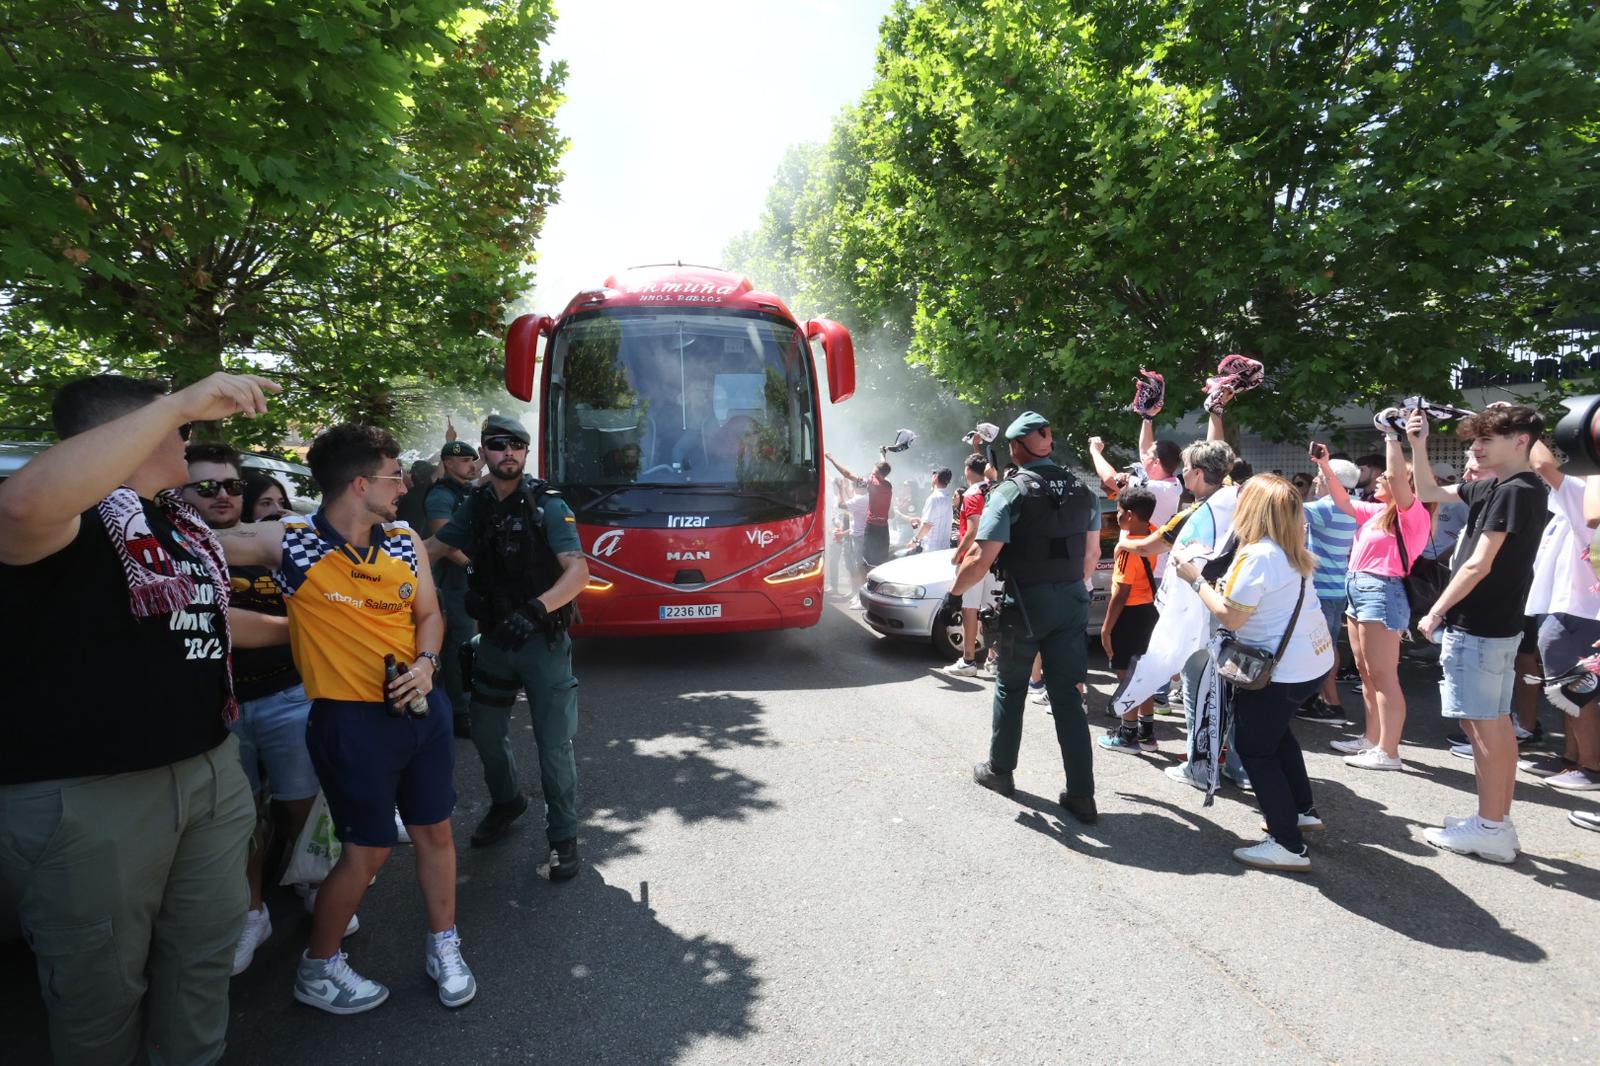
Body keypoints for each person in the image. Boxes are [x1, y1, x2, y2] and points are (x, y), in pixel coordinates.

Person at [0, 372, 277, 1063]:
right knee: (99, 993)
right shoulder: (71, 517)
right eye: (178, 430)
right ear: (130, 430)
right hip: (93, 798)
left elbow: (206, 616)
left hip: (208, 771)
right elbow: (20, 508)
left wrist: (304, 630)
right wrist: (178, 401)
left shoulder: (173, 525)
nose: (187, 442)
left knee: (204, 959)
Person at [213, 422, 473, 1013]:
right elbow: (195, 545)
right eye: (394, 476)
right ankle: (318, 967)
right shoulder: (290, 539)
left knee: (436, 832)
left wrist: (428, 664)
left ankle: (444, 944)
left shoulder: (404, 539)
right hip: (349, 722)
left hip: (421, 708)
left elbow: (429, 617)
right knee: (367, 850)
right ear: (360, 483)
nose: (404, 486)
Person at [185, 450, 334, 976]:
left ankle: (316, 882)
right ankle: (253, 913)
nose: (223, 496)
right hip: (215, 706)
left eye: (231, 486)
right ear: (180, 495)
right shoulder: (174, 550)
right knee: (241, 820)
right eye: (207, 488)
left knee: (301, 805)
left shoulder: (275, 541)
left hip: (287, 695)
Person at [423, 415, 589, 877]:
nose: (508, 452)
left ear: (526, 452)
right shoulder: (475, 504)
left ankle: (563, 837)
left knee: (553, 744)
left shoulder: (547, 505)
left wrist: (536, 609)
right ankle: (507, 801)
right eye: (498, 445)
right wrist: (373, 558)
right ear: (484, 453)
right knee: (485, 732)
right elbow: (434, 546)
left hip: (542, 642)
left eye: (517, 444)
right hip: (494, 640)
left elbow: (578, 571)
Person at [1172, 475, 1334, 872]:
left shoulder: (1259, 555)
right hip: (1309, 664)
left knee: (1255, 749)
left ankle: (1288, 844)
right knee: (1277, 737)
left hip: (1279, 672)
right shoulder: (1289, 550)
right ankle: (1301, 811)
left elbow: (1230, 617)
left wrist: (1195, 579)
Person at [1411, 404, 1548, 863]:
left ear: (1521, 441)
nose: (1477, 447)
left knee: (1485, 727)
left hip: (1481, 626)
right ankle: (1495, 821)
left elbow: (1478, 563)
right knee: (1491, 725)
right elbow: (1428, 490)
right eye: (1475, 439)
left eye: (1487, 439)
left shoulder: (1515, 490)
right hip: (1493, 626)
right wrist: (1417, 442)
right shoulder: (1503, 486)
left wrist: (1436, 611)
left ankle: (1491, 827)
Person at [953, 412, 1101, 823]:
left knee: (1011, 686)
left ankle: (1000, 771)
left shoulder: (1010, 491)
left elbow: (981, 558)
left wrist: (954, 593)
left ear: (1017, 448)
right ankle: (1082, 796)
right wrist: (1066, 588)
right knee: (1068, 696)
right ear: (1047, 443)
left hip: (1026, 603)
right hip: (1072, 601)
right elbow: (1091, 556)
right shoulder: (1083, 491)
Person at [1311, 428, 1433, 771]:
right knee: (1366, 672)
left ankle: (1388, 751)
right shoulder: (1378, 512)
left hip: (1381, 591)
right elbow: (1342, 501)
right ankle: (1372, 739)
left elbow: (1395, 476)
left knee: (1383, 676)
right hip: (1360, 590)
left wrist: (1392, 437)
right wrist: (1326, 466)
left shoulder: (1412, 514)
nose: (1378, 478)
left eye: (1385, 477)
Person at [1296, 455, 1360, 724]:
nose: (1315, 481)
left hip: (1320, 588)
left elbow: (1285, 510)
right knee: (1328, 643)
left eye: (1320, 478)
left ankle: (1332, 704)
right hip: (1338, 586)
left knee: (1322, 647)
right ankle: (1317, 698)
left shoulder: (1325, 508)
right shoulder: (1356, 507)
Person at [426, 438, 481, 739]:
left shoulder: (467, 491)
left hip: (468, 580)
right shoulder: (441, 495)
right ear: (448, 464)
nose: (472, 466)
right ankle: (460, 712)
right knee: (460, 645)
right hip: (453, 581)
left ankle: (466, 703)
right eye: (465, 461)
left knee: (472, 642)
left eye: (473, 460)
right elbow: (443, 541)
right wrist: (472, 567)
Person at [1098, 486, 1160, 753]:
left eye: (1120, 512)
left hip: (1128, 616)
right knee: (1144, 676)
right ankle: (1147, 734)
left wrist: (1106, 629)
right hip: (1149, 610)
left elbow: (1121, 592)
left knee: (1127, 678)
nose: (1117, 516)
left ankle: (1127, 735)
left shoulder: (1127, 550)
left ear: (1131, 515)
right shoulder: (1151, 532)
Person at [946, 453, 995, 675]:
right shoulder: (994, 489)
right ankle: (994, 660)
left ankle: (968, 661)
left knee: (969, 609)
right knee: (992, 610)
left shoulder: (973, 493)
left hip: (974, 558)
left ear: (967, 470)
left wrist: (958, 555)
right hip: (994, 558)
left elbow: (973, 530)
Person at [826, 451, 893, 568]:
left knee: (866, 563)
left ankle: (868, 579)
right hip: (884, 528)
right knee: (881, 562)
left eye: (873, 470)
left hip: (872, 528)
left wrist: (831, 459)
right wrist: (882, 453)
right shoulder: (888, 484)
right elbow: (883, 467)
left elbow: (847, 474)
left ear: (877, 472)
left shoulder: (871, 483)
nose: (871, 471)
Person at [909, 467, 954, 552]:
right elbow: (937, 520)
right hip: (945, 548)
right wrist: (921, 521)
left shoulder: (933, 498)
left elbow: (927, 526)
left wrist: (914, 540)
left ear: (935, 477)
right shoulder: (948, 497)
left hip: (931, 549)